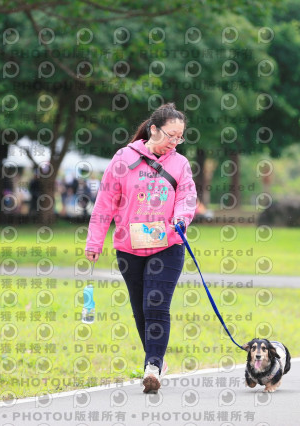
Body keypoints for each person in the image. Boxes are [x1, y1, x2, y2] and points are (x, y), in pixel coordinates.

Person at [85, 103, 197, 393]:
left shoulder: (180, 164)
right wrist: (94, 241)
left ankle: (153, 366)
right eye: (171, 135)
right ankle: (156, 359)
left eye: (180, 137)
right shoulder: (124, 158)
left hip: (167, 244)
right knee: (140, 310)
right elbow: (105, 203)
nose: (175, 142)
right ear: (153, 129)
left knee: (155, 304)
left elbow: (186, 197)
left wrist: (181, 219)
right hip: (129, 247)